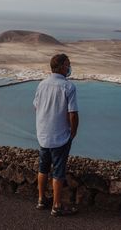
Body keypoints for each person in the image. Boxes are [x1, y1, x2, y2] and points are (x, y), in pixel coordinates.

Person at [33, 53, 79, 217]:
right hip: (60, 137)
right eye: (68, 64)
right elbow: (72, 114)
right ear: (60, 67)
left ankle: (40, 200)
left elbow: (36, 107)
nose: (69, 67)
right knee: (58, 171)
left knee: (43, 168)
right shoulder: (68, 87)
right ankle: (57, 206)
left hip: (43, 135)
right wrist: (72, 133)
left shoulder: (42, 84)